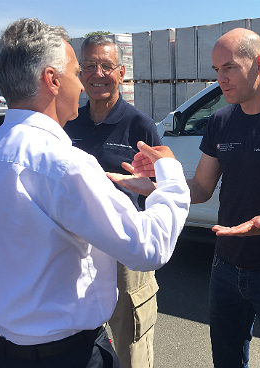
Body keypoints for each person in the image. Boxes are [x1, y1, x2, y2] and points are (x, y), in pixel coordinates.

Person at [0, 18, 190, 368]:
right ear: (52, 80)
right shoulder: (66, 164)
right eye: (77, 71)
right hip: (64, 353)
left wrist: (13, 284)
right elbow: (150, 248)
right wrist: (172, 176)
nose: (83, 84)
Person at [113, 27, 260, 368]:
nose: (220, 79)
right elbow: (200, 188)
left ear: (259, 64)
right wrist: (156, 188)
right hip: (226, 267)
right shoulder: (221, 121)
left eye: (229, 67)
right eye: (216, 70)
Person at [64, 35, 161, 368]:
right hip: (75, 249)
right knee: (79, 341)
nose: (97, 73)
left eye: (106, 65)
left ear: (121, 72)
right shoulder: (69, 124)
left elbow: (160, 190)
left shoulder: (140, 126)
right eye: (89, 65)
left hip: (123, 254)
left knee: (129, 344)